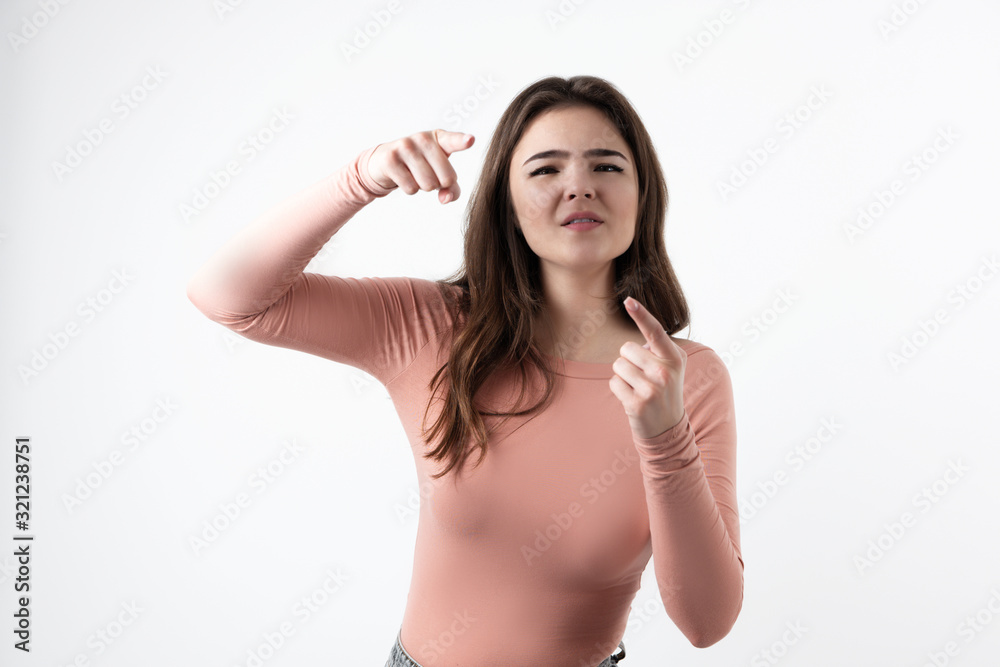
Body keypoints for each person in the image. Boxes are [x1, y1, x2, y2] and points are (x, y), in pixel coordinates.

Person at [187, 74, 743, 666]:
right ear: (507, 204)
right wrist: (360, 178)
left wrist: (665, 442)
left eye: (606, 166)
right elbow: (226, 296)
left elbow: (706, 623)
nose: (579, 186)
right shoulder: (433, 327)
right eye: (545, 169)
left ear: (644, 195)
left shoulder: (687, 378)